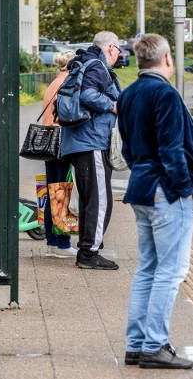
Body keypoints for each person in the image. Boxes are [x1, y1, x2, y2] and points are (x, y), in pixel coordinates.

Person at [118, 34, 193, 369]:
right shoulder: (166, 95)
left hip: (141, 187)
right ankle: (155, 345)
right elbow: (174, 151)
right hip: (166, 191)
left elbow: (127, 148)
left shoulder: (128, 94)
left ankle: (137, 343)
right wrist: (185, 189)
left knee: (147, 267)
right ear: (167, 59)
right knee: (170, 271)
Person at [60, 31, 122, 270]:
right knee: (100, 200)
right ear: (110, 48)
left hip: (82, 142)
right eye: (118, 49)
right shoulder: (96, 66)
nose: (119, 54)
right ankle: (89, 253)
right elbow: (88, 95)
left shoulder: (85, 62)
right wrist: (113, 105)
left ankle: (86, 250)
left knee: (90, 200)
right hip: (91, 142)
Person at [42, 50, 77, 259]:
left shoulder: (54, 82)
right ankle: (63, 242)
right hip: (61, 142)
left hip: (48, 142)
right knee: (63, 192)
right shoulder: (66, 85)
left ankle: (52, 241)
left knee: (52, 192)